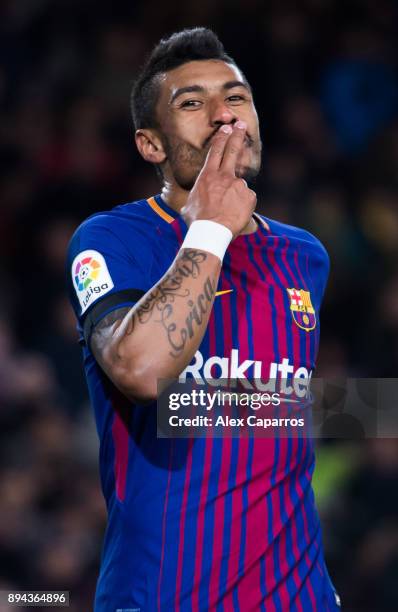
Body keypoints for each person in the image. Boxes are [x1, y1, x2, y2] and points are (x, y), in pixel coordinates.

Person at [67, 27, 341, 611]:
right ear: (151, 145)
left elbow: (284, 411)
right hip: (160, 595)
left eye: (236, 97)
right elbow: (141, 372)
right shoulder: (111, 239)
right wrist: (211, 230)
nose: (224, 116)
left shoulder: (306, 256)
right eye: (191, 103)